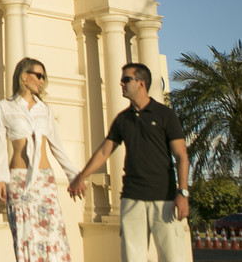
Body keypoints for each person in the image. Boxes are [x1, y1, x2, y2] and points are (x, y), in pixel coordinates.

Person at [68, 62, 190, 262]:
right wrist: (80, 177)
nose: (121, 84)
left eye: (126, 79)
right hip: (132, 198)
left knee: (173, 257)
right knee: (132, 258)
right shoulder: (122, 119)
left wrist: (183, 192)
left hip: (164, 198)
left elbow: (181, 156)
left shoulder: (164, 114)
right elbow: (104, 151)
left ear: (141, 83)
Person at [0, 58, 79, 262]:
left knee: (52, 234)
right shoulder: (5, 107)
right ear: (24, 76)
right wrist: (0, 178)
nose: (41, 80)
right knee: (24, 234)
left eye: (43, 77)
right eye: (38, 75)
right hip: (19, 180)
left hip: (45, 182)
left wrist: (74, 176)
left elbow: (57, 147)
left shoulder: (45, 109)